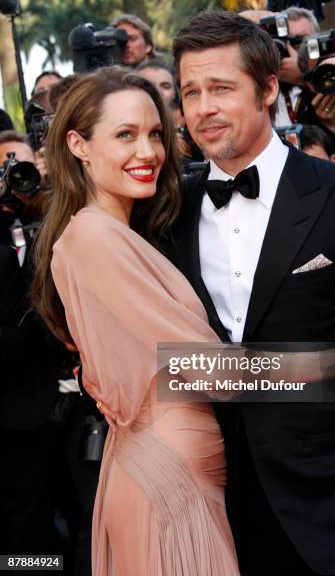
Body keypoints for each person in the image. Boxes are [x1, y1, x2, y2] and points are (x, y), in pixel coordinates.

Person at [172, 10, 335, 576]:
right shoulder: (167, 211)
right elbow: (170, 368)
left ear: (269, 89)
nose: (204, 108)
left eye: (222, 88)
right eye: (190, 92)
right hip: (216, 504)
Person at [31, 66, 240, 576]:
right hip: (165, 483)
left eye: (154, 134)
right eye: (125, 135)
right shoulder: (93, 239)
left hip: (173, 475)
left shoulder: (116, 235)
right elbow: (216, 371)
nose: (147, 153)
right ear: (78, 145)